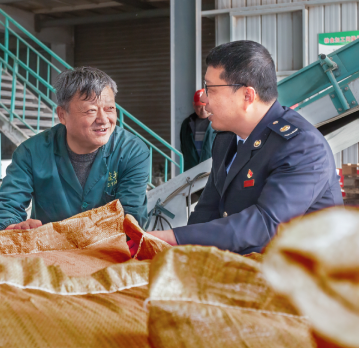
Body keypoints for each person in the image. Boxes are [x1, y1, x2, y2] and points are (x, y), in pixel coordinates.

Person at [147, 41, 342, 254]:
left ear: (247, 96)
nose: (204, 100)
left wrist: (174, 238)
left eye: (210, 89)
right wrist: (180, 250)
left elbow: (265, 224)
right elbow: (208, 209)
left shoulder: (302, 146)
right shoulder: (226, 139)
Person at [0, 66, 150, 231]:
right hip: (49, 247)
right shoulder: (31, 152)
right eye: (91, 110)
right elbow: (5, 204)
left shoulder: (132, 152)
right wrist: (12, 227)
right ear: (62, 115)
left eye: (110, 109)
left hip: (111, 247)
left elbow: (131, 217)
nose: (103, 119)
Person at [179, 89, 216, 171]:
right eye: (199, 106)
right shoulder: (186, 124)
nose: (203, 110)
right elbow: (183, 147)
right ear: (194, 105)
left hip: (212, 169)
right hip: (192, 170)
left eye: (205, 106)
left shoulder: (220, 123)